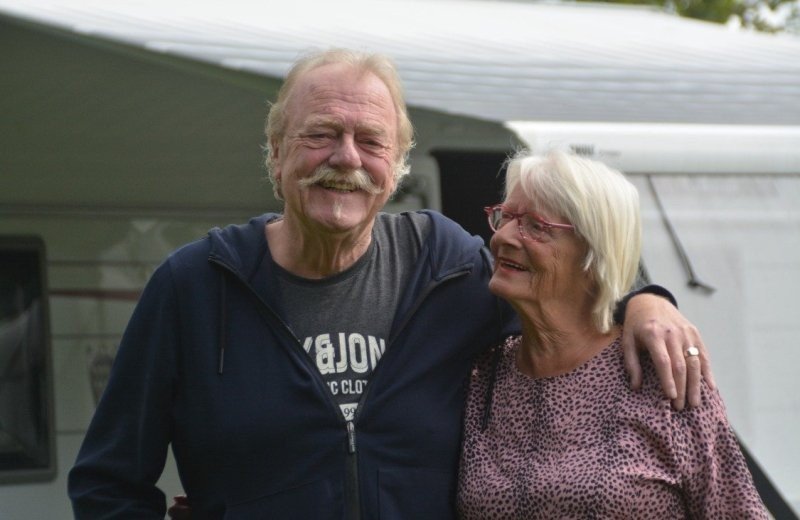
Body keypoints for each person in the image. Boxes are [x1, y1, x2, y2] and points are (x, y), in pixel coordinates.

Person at [68, 49, 711, 519]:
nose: (345, 158)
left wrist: (646, 304)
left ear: (396, 165)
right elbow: (106, 484)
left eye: (370, 141)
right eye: (320, 134)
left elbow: (564, 293)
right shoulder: (194, 285)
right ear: (275, 152)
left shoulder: (447, 266)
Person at [458, 151, 766, 519]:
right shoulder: (484, 374)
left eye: (536, 226)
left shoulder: (663, 374)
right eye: (505, 217)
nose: (504, 237)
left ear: (593, 253)